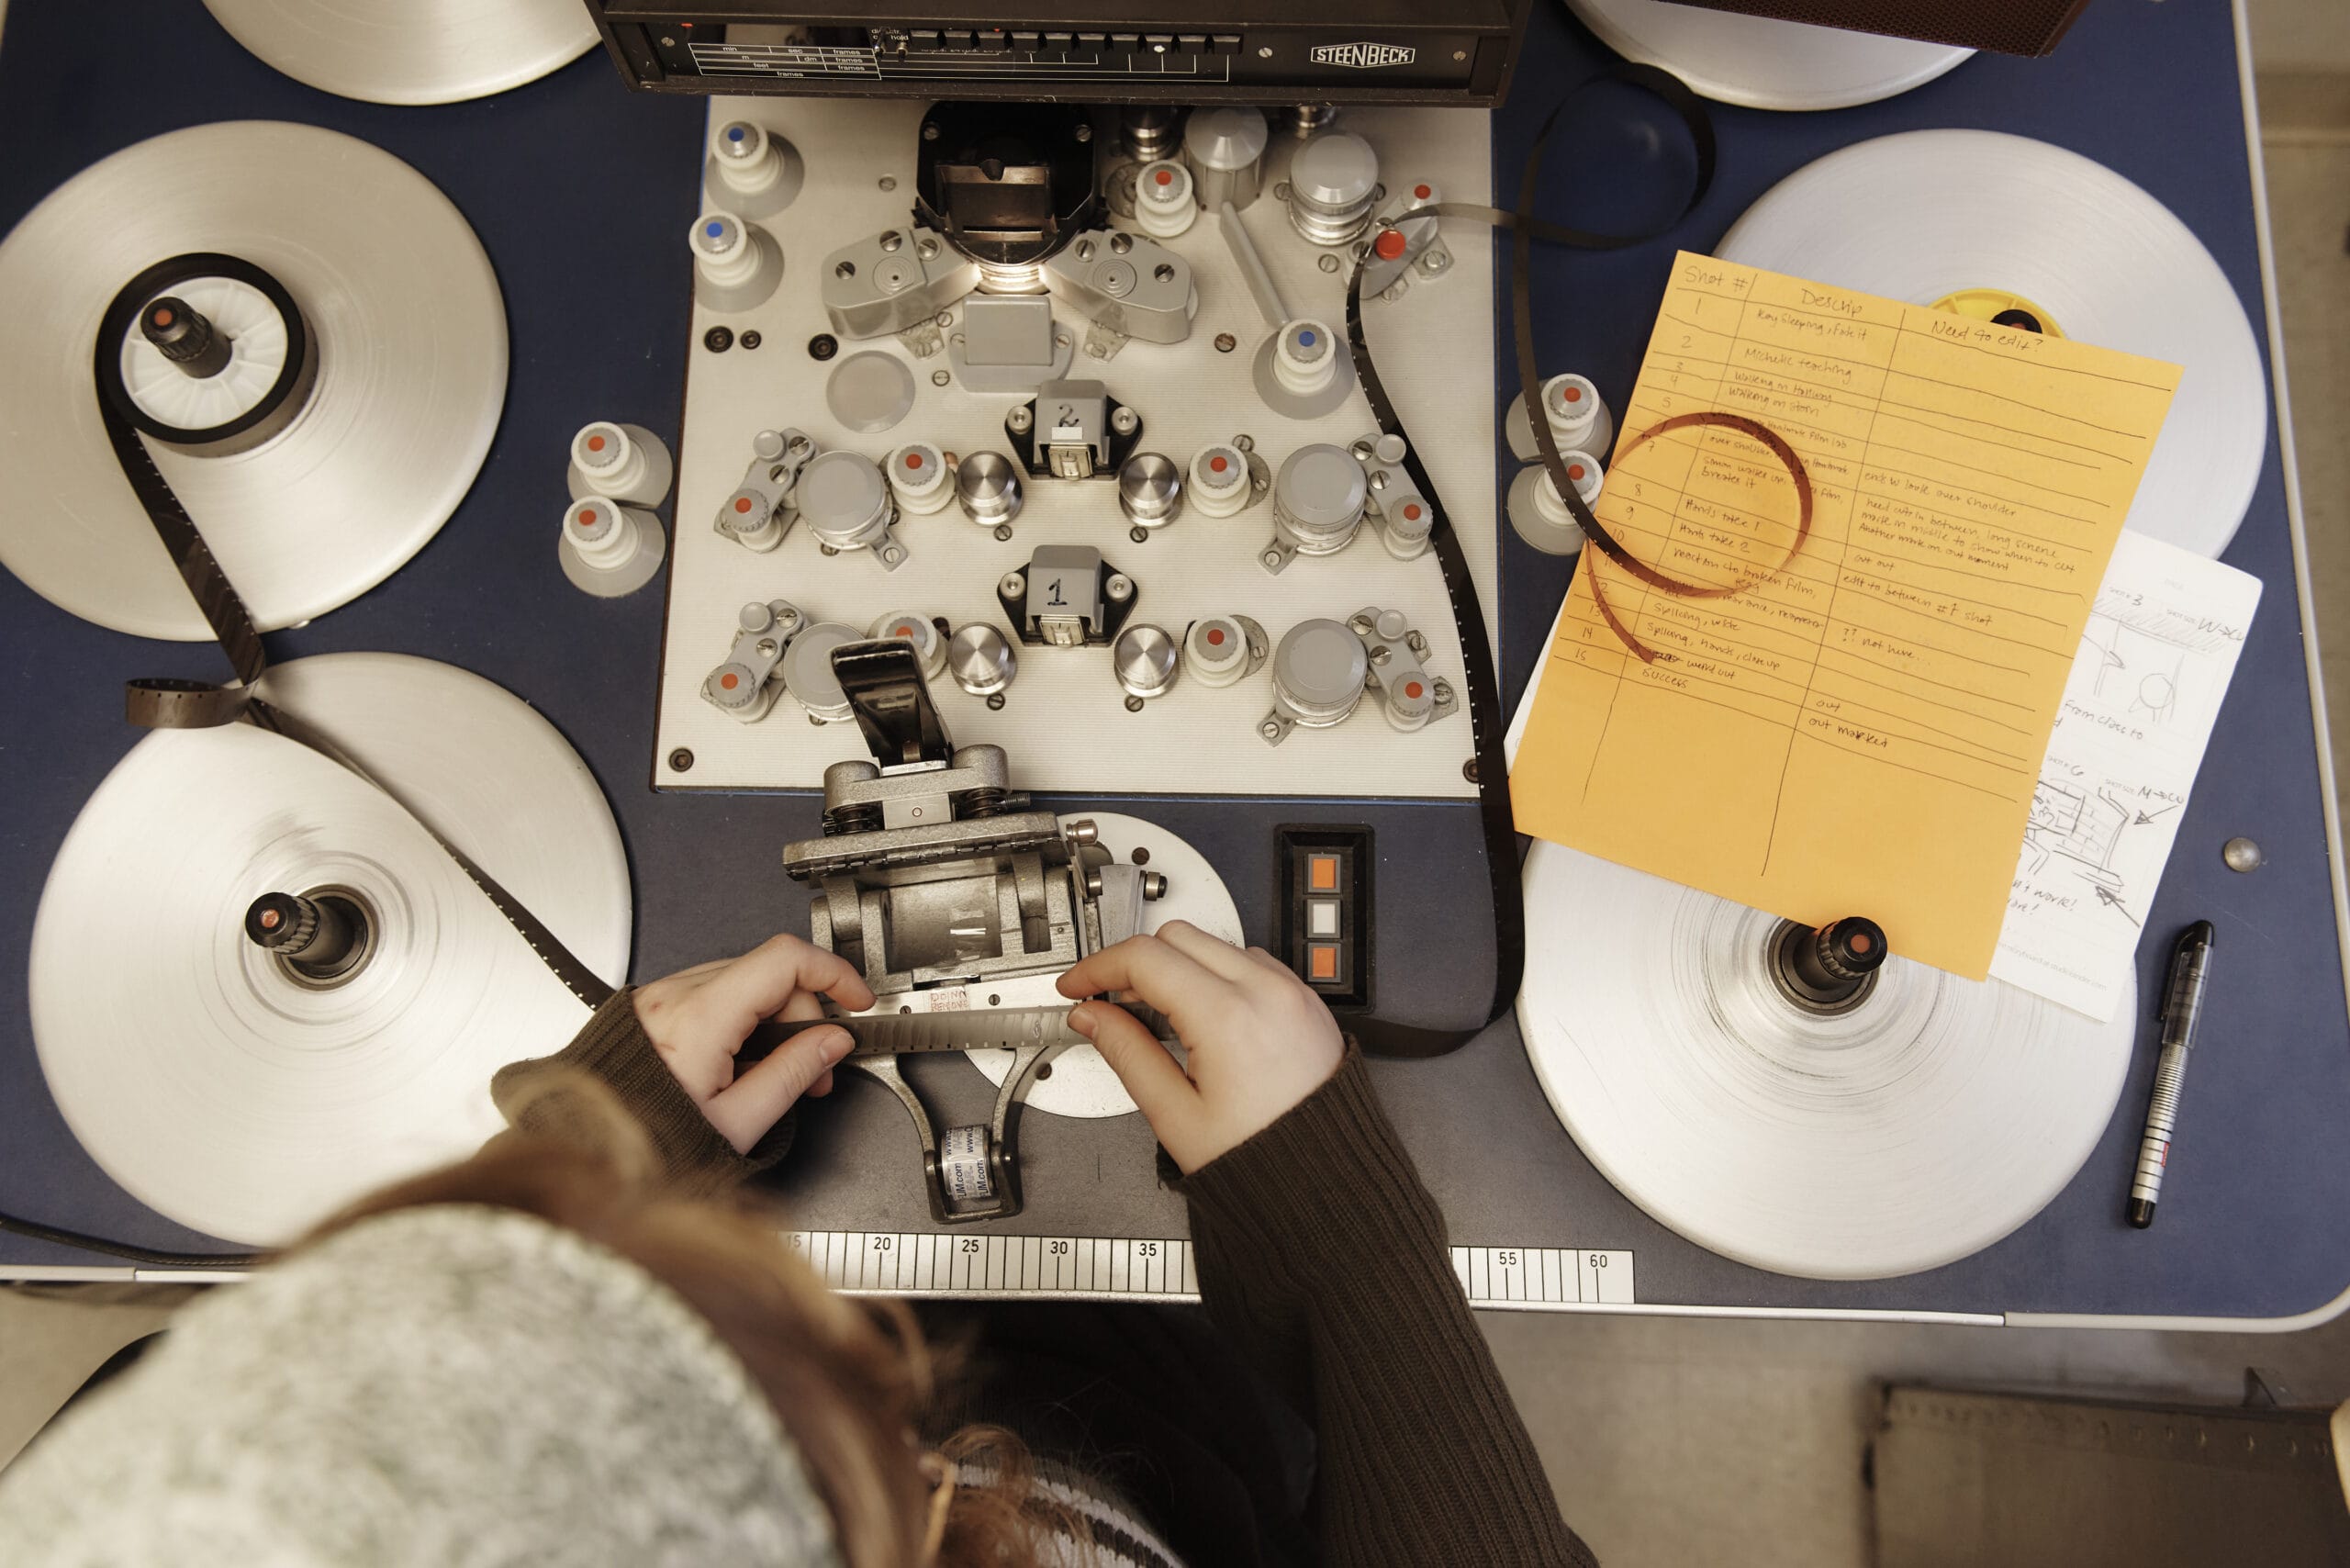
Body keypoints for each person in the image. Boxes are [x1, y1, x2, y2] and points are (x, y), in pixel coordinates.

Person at [0, 923, 1588, 1567]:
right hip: (1198, 1455)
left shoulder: (153, 1517)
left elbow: (209, 1418)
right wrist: (1343, 1252)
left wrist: (572, 1183)